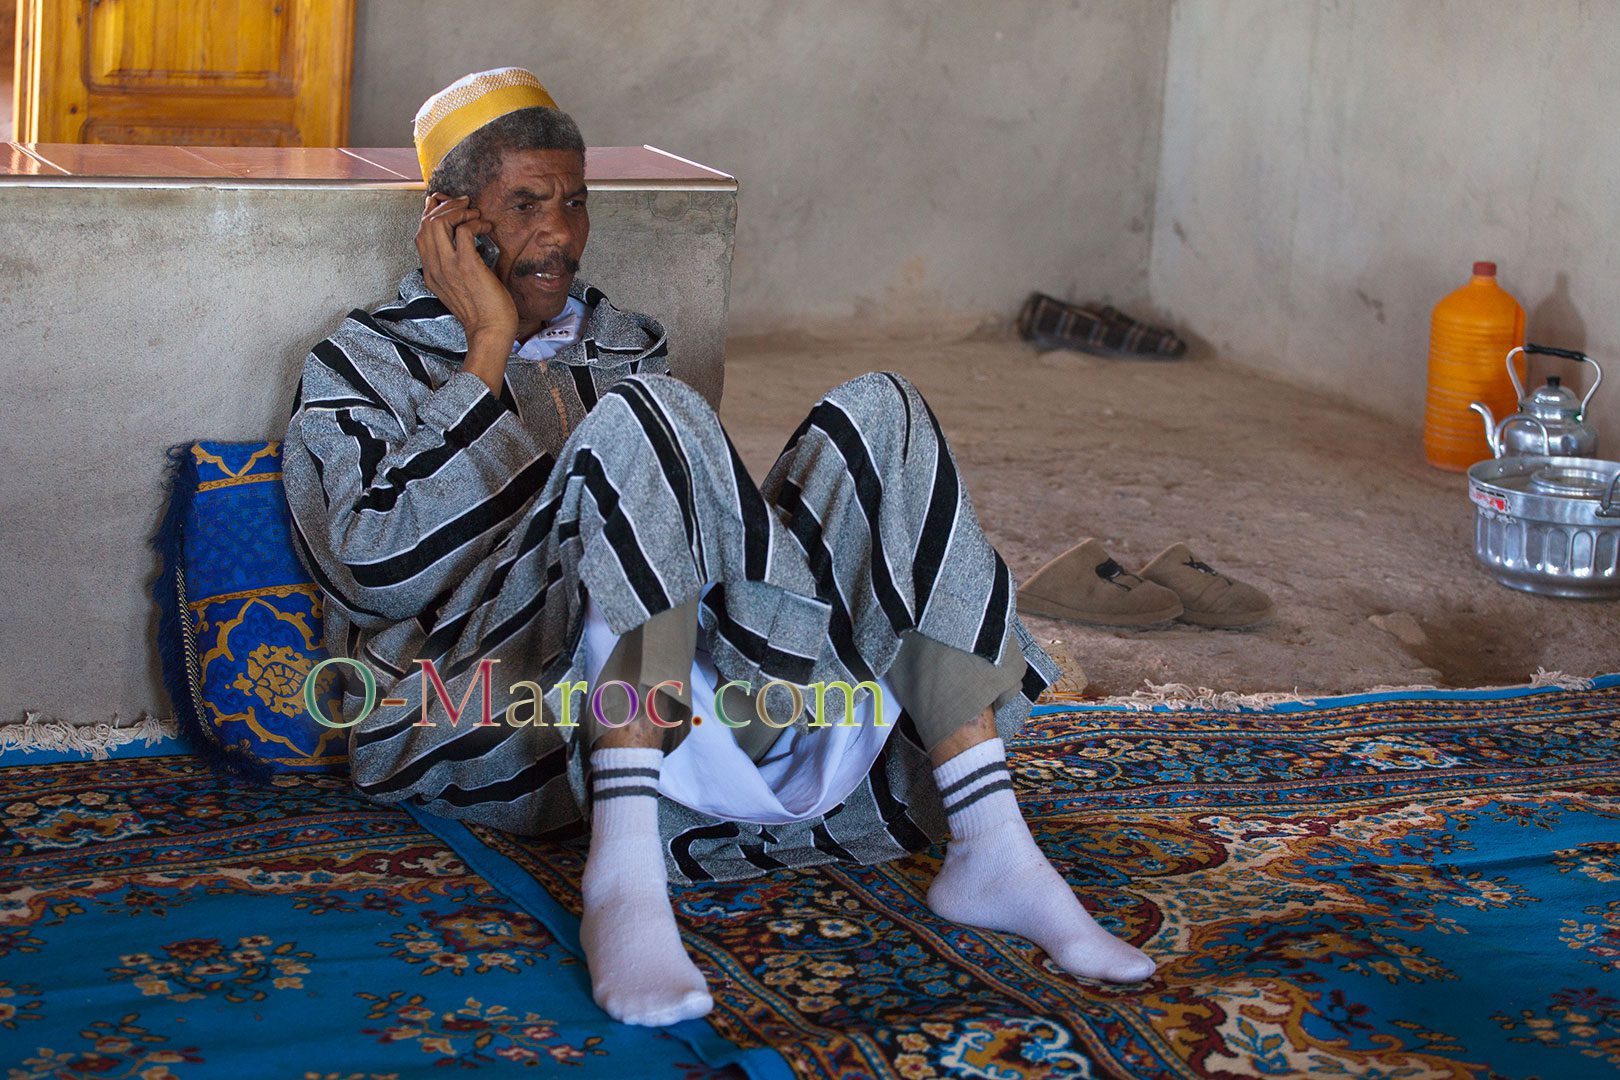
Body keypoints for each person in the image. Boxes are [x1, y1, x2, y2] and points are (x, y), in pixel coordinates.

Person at [282, 68, 1154, 1027]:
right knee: (648, 413)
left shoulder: (617, 343)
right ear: (451, 222)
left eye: (574, 203)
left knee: (883, 410)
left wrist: (833, 570)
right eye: (526, 205)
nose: (561, 235)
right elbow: (372, 568)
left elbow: (686, 540)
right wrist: (486, 345)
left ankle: (992, 838)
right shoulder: (360, 359)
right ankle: (626, 875)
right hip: (491, 705)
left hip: (700, 695)